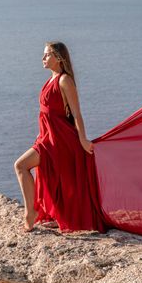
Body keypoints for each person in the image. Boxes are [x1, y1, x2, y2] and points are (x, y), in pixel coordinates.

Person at [14, 41, 104, 233]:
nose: (43, 58)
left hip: (61, 141)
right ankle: (35, 212)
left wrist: (82, 139)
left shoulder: (64, 80)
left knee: (20, 165)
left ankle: (31, 213)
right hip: (47, 138)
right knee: (24, 167)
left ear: (59, 58)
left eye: (47, 55)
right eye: (44, 54)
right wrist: (41, 134)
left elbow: (76, 113)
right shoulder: (51, 79)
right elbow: (47, 113)